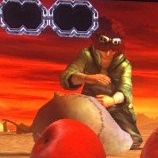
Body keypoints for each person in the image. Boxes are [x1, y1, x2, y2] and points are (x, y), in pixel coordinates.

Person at [60, 16, 143, 149]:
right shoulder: (86, 55)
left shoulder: (124, 65)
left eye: (112, 50)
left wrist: (112, 100)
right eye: (104, 50)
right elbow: (67, 76)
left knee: (133, 140)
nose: (108, 53)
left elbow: (126, 89)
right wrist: (88, 78)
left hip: (116, 108)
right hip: (88, 105)